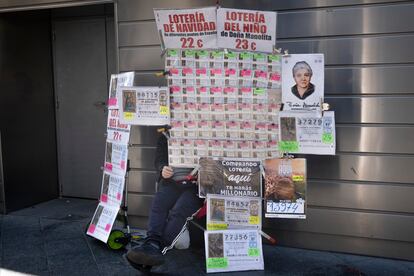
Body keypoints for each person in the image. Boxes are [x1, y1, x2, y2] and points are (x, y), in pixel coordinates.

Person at [126, 132, 203, 267]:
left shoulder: (208, 133)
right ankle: (152, 241)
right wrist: (162, 169)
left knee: (180, 209)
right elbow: (160, 159)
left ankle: (159, 248)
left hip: (197, 187)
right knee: (159, 203)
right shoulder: (167, 134)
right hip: (172, 182)